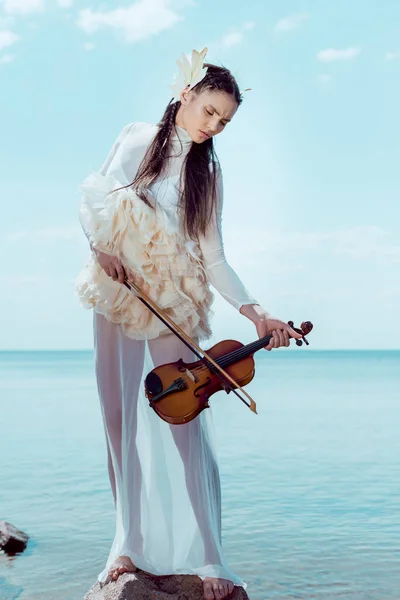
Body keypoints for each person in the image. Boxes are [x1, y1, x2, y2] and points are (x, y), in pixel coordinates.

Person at [76, 49, 302, 600]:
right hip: (122, 293)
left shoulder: (209, 172)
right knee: (118, 423)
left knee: (184, 424)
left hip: (172, 302)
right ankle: (125, 546)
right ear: (185, 95)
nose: (212, 126)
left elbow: (215, 257)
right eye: (208, 111)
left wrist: (256, 312)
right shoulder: (134, 139)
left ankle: (210, 560)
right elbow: (95, 203)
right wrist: (101, 251)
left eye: (224, 120)